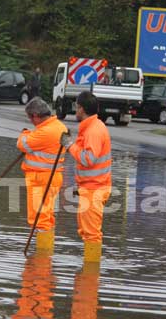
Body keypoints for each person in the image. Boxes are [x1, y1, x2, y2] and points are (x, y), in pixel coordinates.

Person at [60, 91, 112, 262]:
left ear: (81, 108)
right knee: (86, 231)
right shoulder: (91, 128)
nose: (76, 110)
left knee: (91, 234)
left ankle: (90, 276)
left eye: (76, 106)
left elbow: (87, 159)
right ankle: (88, 277)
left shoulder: (93, 131)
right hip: (90, 187)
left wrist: (69, 145)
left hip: (94, 189)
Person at [17, 97, 67, 252]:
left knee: (39, 219)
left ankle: (42, 259)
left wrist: (25, 133)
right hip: (49, 177)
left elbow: (22, 144)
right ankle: (44, 257)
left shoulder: (47, 131)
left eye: (30, 118)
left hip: (42, 178)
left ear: (36, 116)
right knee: (46, 216)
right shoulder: (58, 126)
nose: (31, 122)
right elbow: (34, 145)